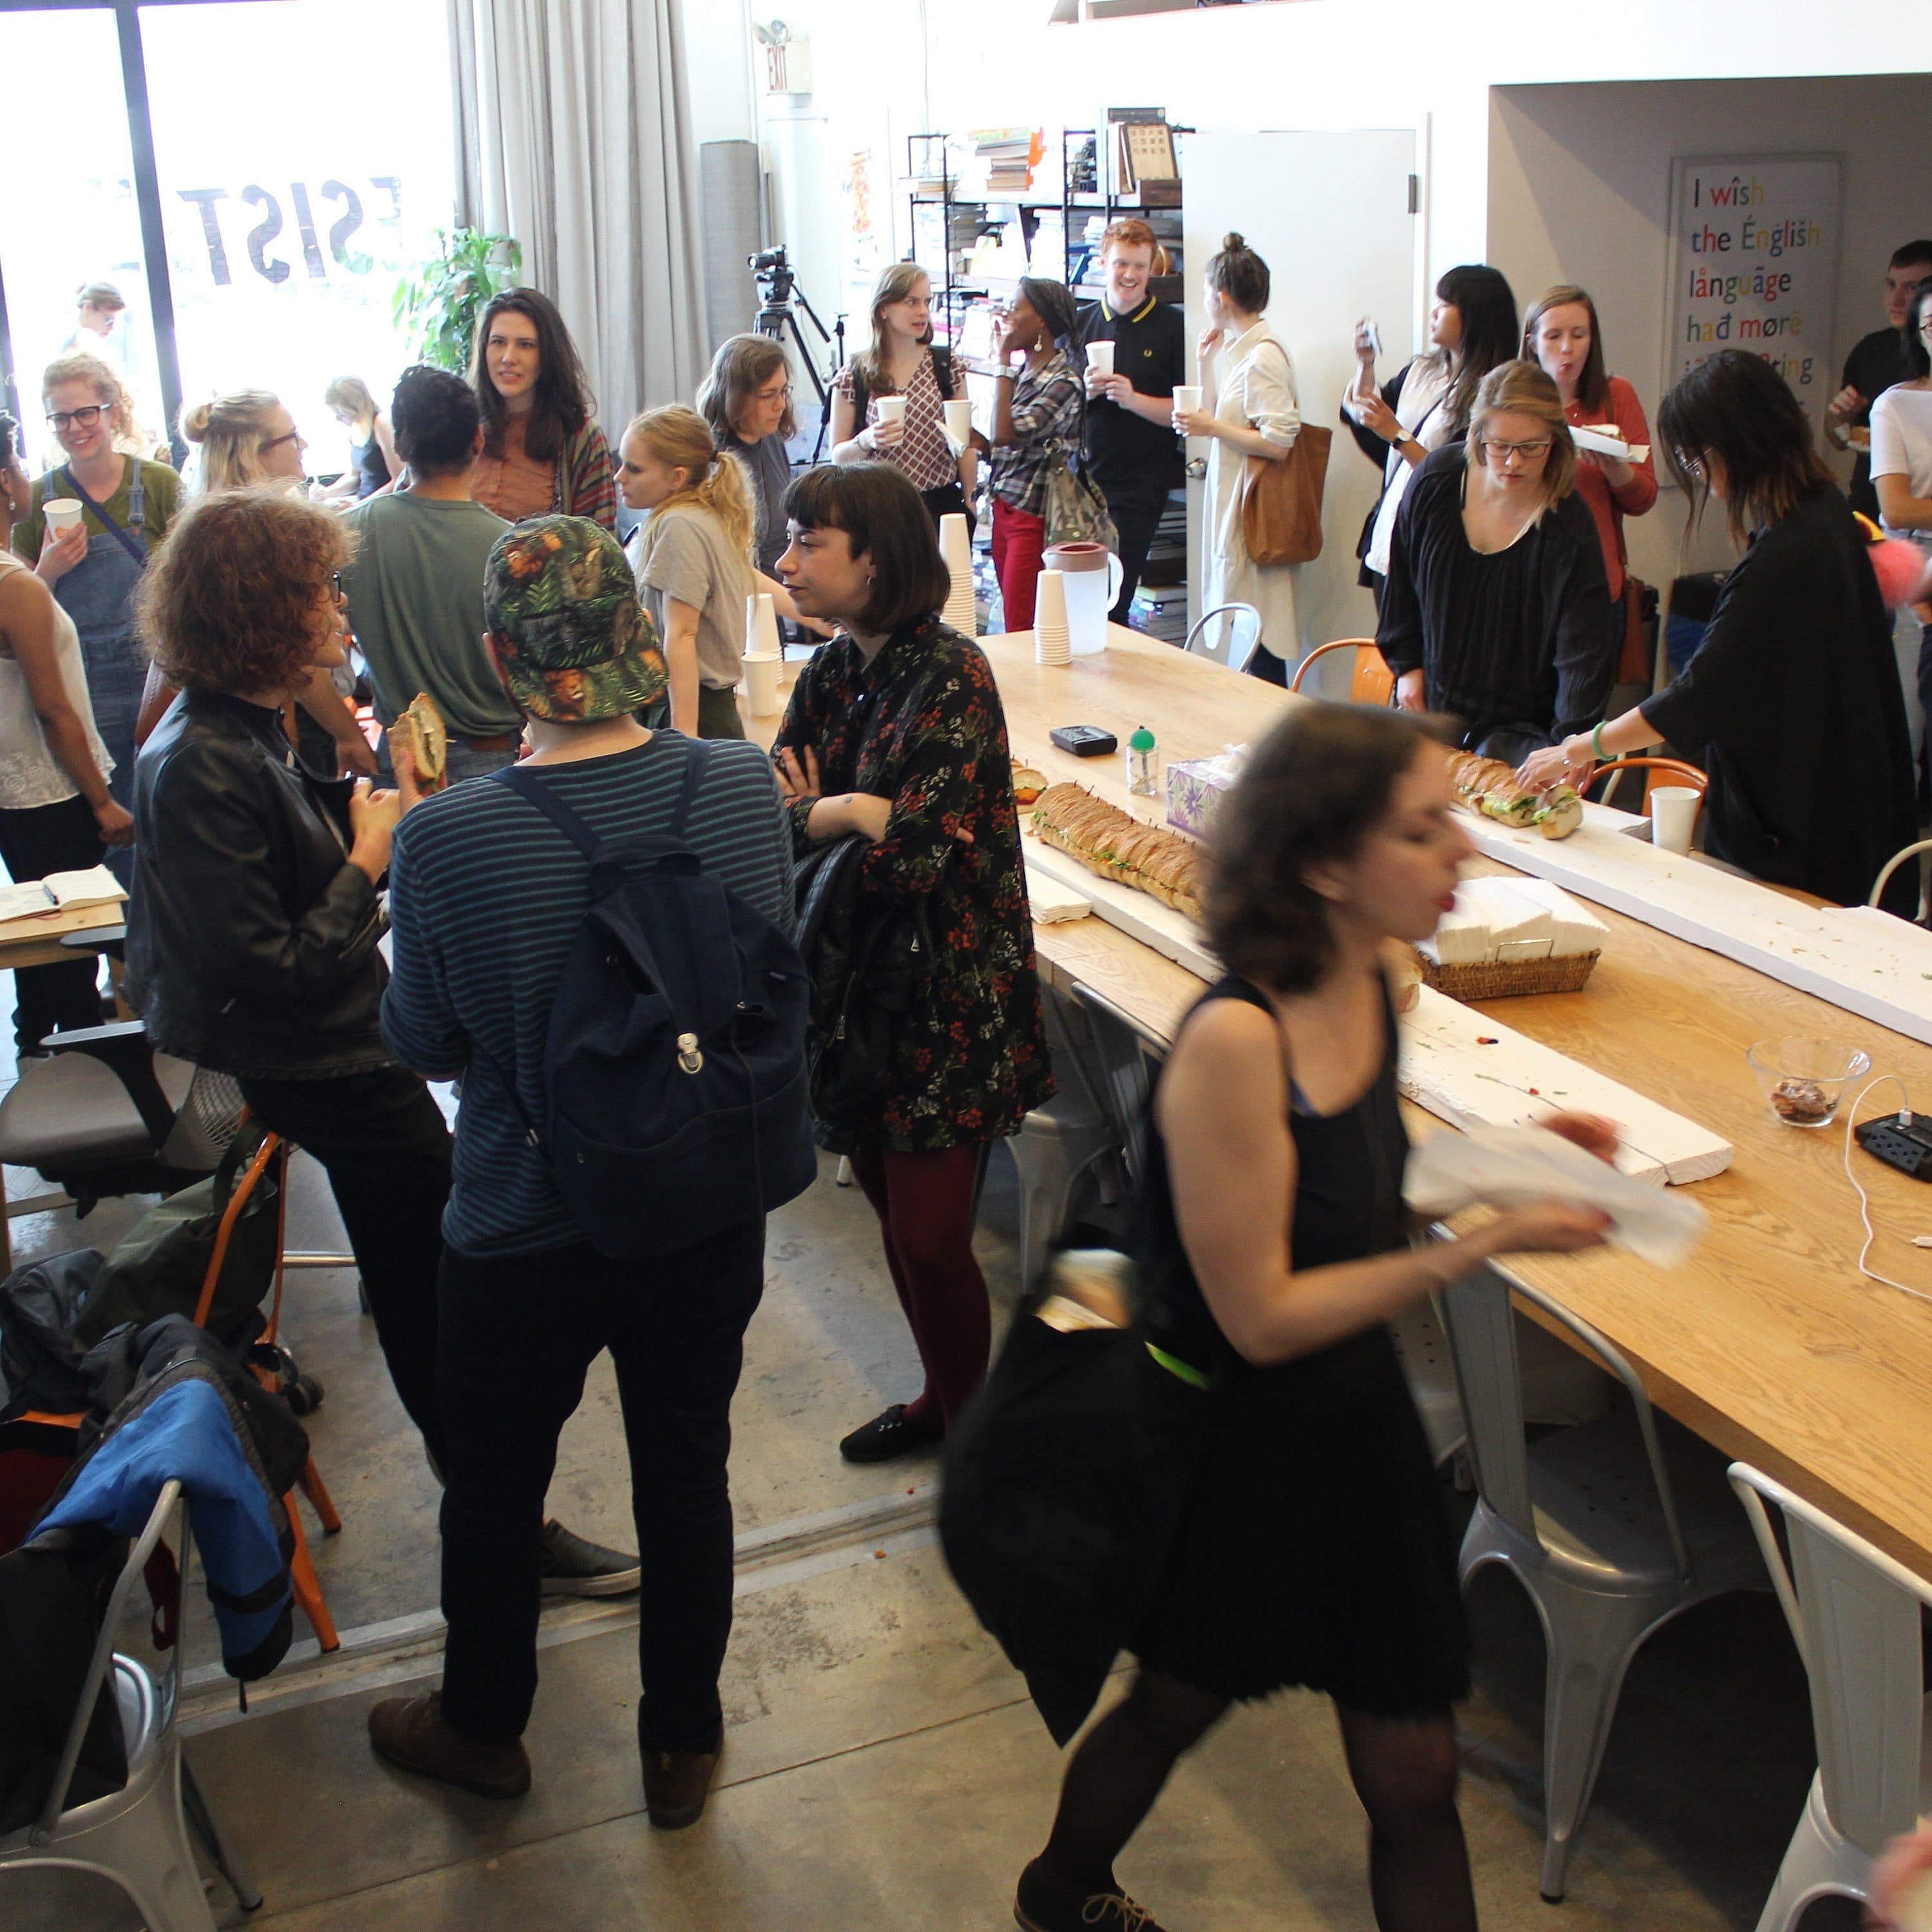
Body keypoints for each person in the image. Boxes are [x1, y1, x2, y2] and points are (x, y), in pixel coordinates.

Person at [1013, 703, 1614, 1932]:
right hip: (1233, 1445)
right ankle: (1060, 1887)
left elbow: (1356, 1183)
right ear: (1329, 864)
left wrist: (1515, 1159)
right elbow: (1267, 1313)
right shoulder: (1238, 1039)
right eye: (1423, 828)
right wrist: (1488, 1246)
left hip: (1353, 1425)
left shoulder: (1376, 978)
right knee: (1176, 1702)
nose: (1465, 851)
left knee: (1416, 1777)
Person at [126, 489, 638, 1605]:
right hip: (312, 1063)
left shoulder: (246, 727)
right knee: (456, 1292)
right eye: (317, 590)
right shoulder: (201, 759)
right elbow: (270, 972)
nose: (337, 605)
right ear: (262, 611)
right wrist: (373, 853)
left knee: (442, 1283)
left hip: (332, 1044)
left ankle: (501, 1509)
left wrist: (384, 814)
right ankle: (503, 1523)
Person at [372, 515, 791, 1817]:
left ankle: (485, 1726)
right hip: (704, 1196)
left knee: (496, 1483)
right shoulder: (737, 782)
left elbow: (427, 1039)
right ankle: (682, 1742)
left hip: (524, 1223)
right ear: (626, 635)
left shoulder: (446, 841)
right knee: (687, 1462)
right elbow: (762, 977)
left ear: (504, 659)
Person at [772, 462, 1050, 1463]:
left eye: (809, 543)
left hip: (946, 992)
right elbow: (774, 820)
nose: (785, 561)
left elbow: (920, 857)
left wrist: (825, 822)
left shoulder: (954, 674)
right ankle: (944, 1398)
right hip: (856, 993)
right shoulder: (831, 672)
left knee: (932, 1232)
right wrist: (842, 810)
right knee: (894, 1215)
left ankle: (980, 1433)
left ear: (876, 560)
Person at [1520, 349, 1918, 909]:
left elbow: (1700, 696)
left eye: (1694, 454)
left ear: (1735, 443)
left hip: (1808, 820)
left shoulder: (1789, 551)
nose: (1696, 470)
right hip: (1844, 795)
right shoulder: (1823, 509)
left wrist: (1579, 750)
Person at [1378, 361, 1613, 763]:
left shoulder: (1569, 528)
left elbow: (1583, 657)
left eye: (1531, 448)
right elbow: (1400, 585)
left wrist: (1566, 748)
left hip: (1523, 740)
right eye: (1499, 446)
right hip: (1432, 715)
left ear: (1556, 442)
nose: (1514, 462)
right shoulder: (1436, 482)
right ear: (1477, 435)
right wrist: (1407, 667)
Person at [137, 390, 374, 782]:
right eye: (292, 436)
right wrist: (348, 735)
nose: (304, 445)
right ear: (255, 452)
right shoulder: (254, 547)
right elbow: (298, 656)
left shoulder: (205, 533)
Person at [12, 355, 182, 849]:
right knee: (113, 820)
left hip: (157, 671)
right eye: (61, 418)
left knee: (169, 806)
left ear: (112, 411)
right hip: (80, 684)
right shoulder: (38, 497)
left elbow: (186, 584)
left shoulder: (158, 484)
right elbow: (17, 607)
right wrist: (48, 570)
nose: (75, 427)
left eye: (86, 412)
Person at [339, 366, 520, 782]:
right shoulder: (512, 548)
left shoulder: (349, 532)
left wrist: (346, 732)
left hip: (400, 763)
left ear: (400, 445)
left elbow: (303, 653)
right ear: (479, 440)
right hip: (495, 763)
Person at [0, 544, 127, 1056]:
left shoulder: (20, 578)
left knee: (35, 928)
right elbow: (53, 708)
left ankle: (33, 1039)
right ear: (6, 480)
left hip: (14, 784)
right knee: (72, 938)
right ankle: (87, 1067)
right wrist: (102, 800)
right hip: (51, 787)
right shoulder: (16, 585)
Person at [1345, 265, 1520, 605]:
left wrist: (1397, 434)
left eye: (1445, 303)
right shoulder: (1424, 370)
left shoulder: (1496, 390)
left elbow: (1461, 477)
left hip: (1442, 545)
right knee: (1390, 648)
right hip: (1393, 533)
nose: (1434, 312)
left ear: (1474, 314)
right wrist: (1365, 366)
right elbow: (1369, 416)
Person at [1173, 235, 1301, 681]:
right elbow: (1219, 417)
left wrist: (1212, 429)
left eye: (1208, 292)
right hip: (1237, 504)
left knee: (1258, 629)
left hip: (1252, 511)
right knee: (1246, 625)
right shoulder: (1240, 352)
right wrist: (1205, 363)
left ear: (1222, 297)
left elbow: (1279, 441)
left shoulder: (1262, 357)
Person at [1522, 285, 1658, 648]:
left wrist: (1617, 469)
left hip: (1595, 586)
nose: (1567, 348)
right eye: (1554, 336)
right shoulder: (1513, 401)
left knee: (1587, 701)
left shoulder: (1617, 396)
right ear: (1532, 342)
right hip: (1525, 584)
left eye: (1579, 335)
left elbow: (1644, 498)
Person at [617, 405, 758, 741]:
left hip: (691, 707)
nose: (619, 477)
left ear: (676, 477)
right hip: (692, 703)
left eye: (633, 469)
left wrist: (686, 736)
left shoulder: (678, 524)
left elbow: (682, 635)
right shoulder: (702, 517)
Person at [1075, 219, 1186, 625]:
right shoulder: (1081, 322)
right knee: (1077, 598)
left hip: (1140, 484)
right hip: (1081, 483)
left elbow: (1186, 411)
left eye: (1140, 266)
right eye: (1122, 264)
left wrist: (1133, 399)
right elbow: (1060, 409)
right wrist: (1084, 392)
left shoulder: (1173, 326)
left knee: (1114, 601)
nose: (1130, 275)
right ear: (1103, 262)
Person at [828, 262, 976, 533]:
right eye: (911, 302)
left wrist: (970, 499)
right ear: (883, 308)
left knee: (947, 576)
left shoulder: (946, 365)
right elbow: (837, 457)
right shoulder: (855, 374)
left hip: (939, 503)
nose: (923, 312)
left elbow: (965, 444)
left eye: (927, 302)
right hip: (877, 507)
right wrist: (867, 440)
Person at [470, 288, 616, 532]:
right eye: (498, 342)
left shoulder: (582, 440)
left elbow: (600, 551)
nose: (508, 357)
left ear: (548, 355)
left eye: (525, 345)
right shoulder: (458, 425)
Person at [985, 278, 1084, 633]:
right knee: (1013, 618)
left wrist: (1001, 360)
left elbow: (1006, 434)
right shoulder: (1025, 372)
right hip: (1003, 508)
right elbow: (997, 441)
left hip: (1032, 519)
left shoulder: (1064, 381)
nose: (1008, 315)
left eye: (1016, 307)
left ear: (1041, 320)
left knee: (1022, 627)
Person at [1870, 279, 1932, 772]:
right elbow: (1897, 508)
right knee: (1905, 723)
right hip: (1916, 566)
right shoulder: (1895, 403)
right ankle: (1901, 847)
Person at [1826, 240, 1932, 522]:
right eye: (1890, 285)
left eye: (1911, 288)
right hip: (1868, 511)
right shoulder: (1870, 350)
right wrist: (1842, 419)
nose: (1895, 300)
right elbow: (1838, 438)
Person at [697, 334, 797, 578]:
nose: (781, 404)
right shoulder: (710, 458)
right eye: (768, 395)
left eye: (783, 391)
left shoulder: (771, 438)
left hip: (779, 588)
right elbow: (731, 567)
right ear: (736, 397)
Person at [312, 376, 398, 504]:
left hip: (380, 504)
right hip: (363, 498)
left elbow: (399, 479)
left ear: (355, 407)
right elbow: (354, 476)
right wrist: (327, 493)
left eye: (340, 413)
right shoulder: (356, 428)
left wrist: (357, 506)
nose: (338, 419)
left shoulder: (381, 423)